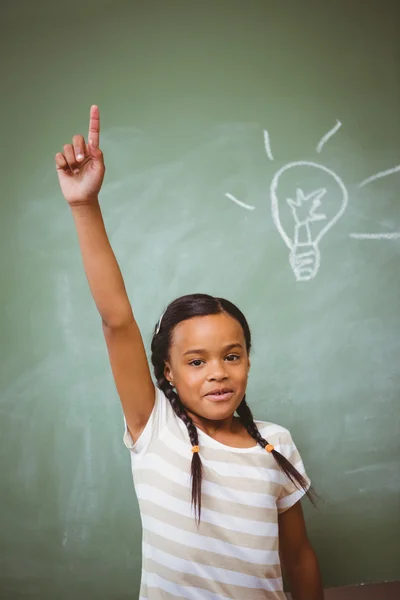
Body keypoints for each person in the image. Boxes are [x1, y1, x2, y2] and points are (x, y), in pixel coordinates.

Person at [55, 105, 324, 600]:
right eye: (196, 362)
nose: (218, 373)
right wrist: (83, 207)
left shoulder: (276, 445)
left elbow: (300, 554)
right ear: (169, 374)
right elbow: (117, 321)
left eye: (233, 355)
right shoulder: (155, 428)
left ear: (248, 359)